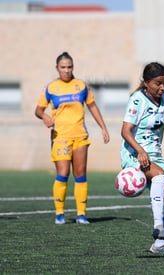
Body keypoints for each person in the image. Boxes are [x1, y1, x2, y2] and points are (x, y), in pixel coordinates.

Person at [35, 52, 110, 225]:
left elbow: (92, 106)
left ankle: (81, 214)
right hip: (60, 137)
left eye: (69, 67)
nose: (66, 70)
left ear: (73, 68)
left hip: (80, 137)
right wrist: (44, 116)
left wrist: (103, 128)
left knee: (80, 175)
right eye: (63, 67)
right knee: (62, 174)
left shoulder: (81, 86)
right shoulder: (51, 87)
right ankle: (59, 213)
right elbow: (38, 110)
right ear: (57, 68)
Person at [120, 62, 164, 255]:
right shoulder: (137, 100)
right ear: (147, 83)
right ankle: (158, 225)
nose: (162, 87)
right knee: (158, 176)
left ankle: (159, 245)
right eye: (158, 83)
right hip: (134, 154)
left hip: (156, 156)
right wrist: (140, 151)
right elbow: (125, 131)